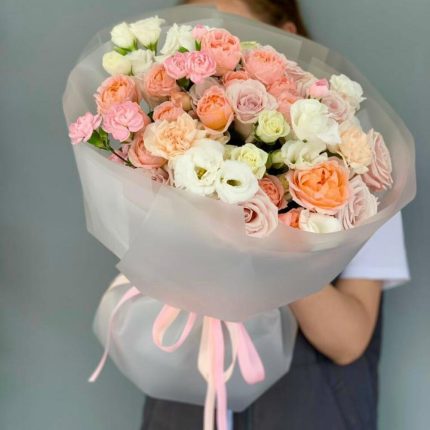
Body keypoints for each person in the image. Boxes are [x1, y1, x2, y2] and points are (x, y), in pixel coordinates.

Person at [138, 1, 411, 429]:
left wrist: (264, 229)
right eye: (196, 44)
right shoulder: (162, 160)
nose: (214, 63)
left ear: (287, 37)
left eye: (230, 39)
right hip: (185, 409)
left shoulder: (357, 169)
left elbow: (347, 341)